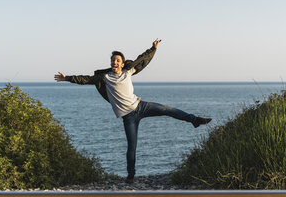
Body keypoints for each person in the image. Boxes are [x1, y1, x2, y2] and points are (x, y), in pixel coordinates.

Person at [54, 39, 211, 184]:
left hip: (141, 106)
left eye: (117, 60)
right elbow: (85, 79)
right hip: (128, 117)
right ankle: (131, 175)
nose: (114, 62)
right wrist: (67, 77)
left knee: (167, 109)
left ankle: (195, 120)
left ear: (122, 64)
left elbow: (143, 60)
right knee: (132, 146)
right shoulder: (104, 78)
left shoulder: (128, 72)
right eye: (113, 60)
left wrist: (153, 48)